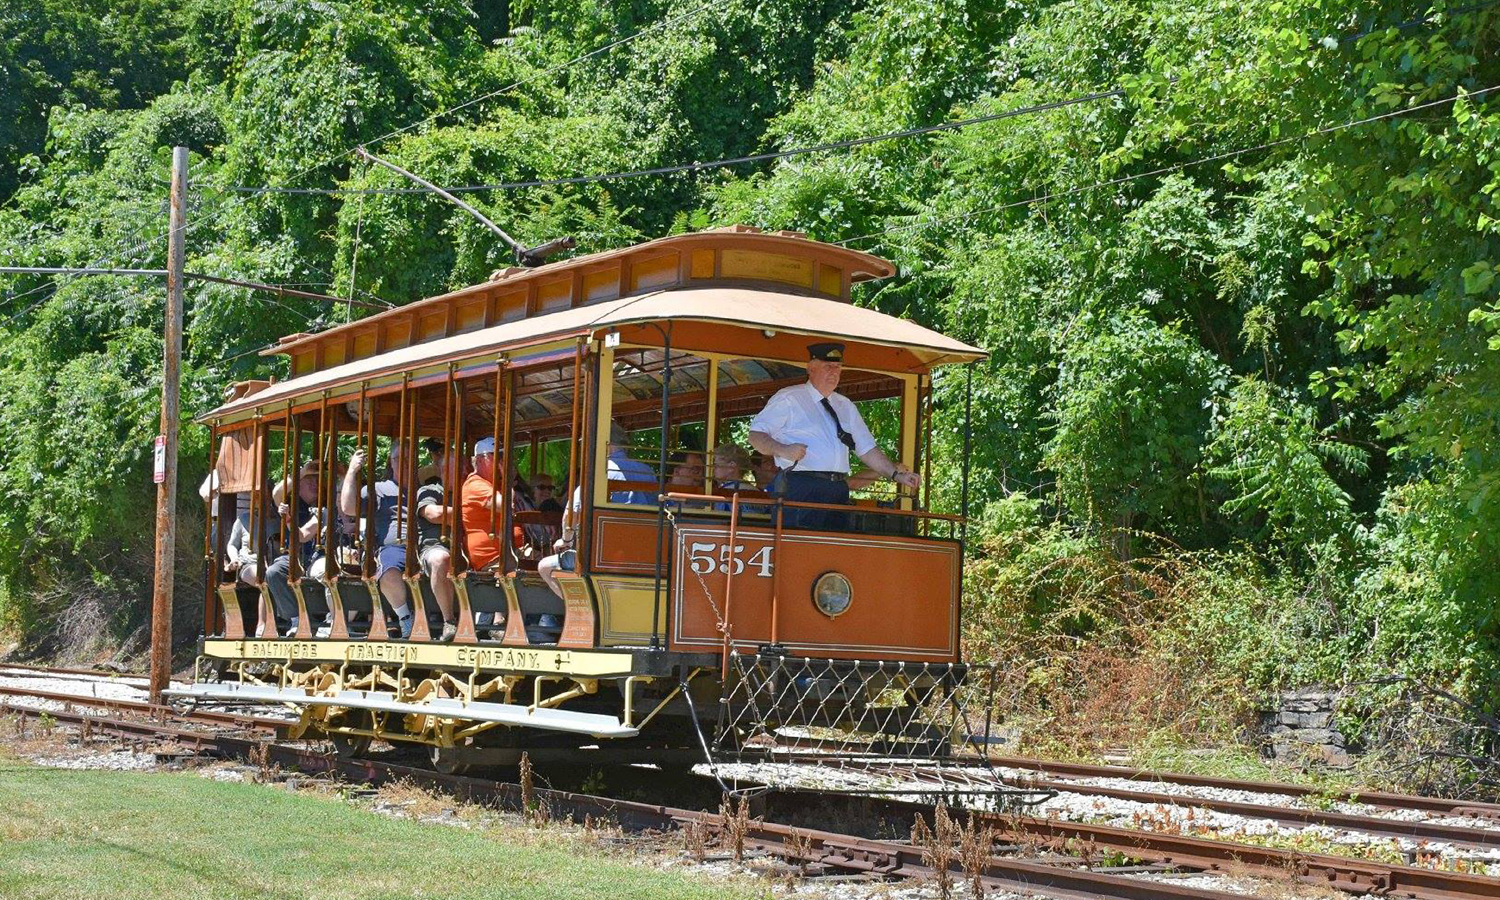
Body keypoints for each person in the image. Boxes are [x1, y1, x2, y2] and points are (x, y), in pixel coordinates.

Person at [748, 342, 919, 530]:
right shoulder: (789, 398)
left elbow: (867, 448)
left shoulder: (845, 405)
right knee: (799, 550)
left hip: (837, 489)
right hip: (801, 487)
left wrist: (895, 475)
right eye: (827, 366)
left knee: (834, 552)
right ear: (811, 368)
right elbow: (755, 435)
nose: (834, 372)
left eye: (838, 367)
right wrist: (783, 450)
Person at [340, 443, 415, 638]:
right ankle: (405, 618)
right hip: (393, 548)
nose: (405, 464)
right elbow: (348, 508)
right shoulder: (379, 489)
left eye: (409, 459)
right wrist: (352, 471)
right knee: (388, 568)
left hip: (420, 547)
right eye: (400, 459)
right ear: (391, 462)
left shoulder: (424, 490)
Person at [262, 461, 331, 637]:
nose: (315, 485)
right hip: (293, 556)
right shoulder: (290, 502)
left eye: (317, 481)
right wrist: (302, 472)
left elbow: (303, 535)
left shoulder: (324, 506)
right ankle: (295, 619)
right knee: (273, 572)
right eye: (310, 481)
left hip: (315, 556)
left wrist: (289, 521)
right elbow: (276, 493)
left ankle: (330, 620)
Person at [415, 446, 460, 643]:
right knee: (441, 559)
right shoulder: (430, 490)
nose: (458, 473)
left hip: (465, 548)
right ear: (442, 471)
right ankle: (449, 620)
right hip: (434, 547)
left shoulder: (467, 491)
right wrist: (467, 515)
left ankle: (497, 623)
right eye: (451, 468)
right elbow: (434, 514)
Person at [606, 421, 655, 504]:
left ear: (608, 444)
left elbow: (578, 505)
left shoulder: (602, 471)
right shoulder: (647, 470)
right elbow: (656, 502)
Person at [712, 443, 750, 512]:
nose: (713, 469)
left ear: (731, 466)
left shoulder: (724, 493)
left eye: (716, 465)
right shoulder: (756, 491)